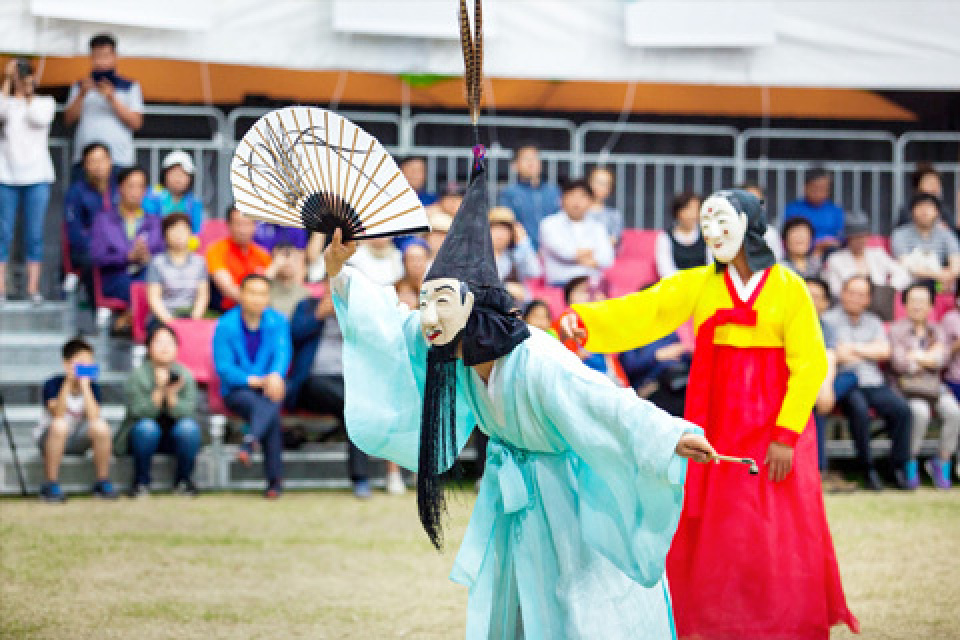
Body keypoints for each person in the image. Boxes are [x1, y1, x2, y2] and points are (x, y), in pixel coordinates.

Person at [324, 150, 716, 639]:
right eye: (425, 301)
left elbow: (602, 398)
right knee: (512, 598)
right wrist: (342, 270)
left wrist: (671, 434)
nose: (427, 315)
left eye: (440, 301)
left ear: (473, 307)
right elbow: (388, 324)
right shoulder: (449, 348)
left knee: (572, 599)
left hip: (563, 497)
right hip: (512, 495)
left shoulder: (537, 360)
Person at [559, 189, 859, 638]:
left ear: (750, 226)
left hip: (773, 428)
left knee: (774, 527)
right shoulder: (700, 283)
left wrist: (785, 434)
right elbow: (646, 310)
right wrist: (582, 322)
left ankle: (779, 621)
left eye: (723, 224)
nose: (713, 234)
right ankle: (717, 620)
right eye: (706, 226)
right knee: (719, 528)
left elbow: (810, 363)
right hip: (717, 424)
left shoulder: (789, 288)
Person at [823, 275, 913, 491]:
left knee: (903, 410)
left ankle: (896, 468)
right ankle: (868, 469)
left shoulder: (873, 321)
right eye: (851, 292)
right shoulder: (829, 320)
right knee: (859, 411)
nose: (855, 298)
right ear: (843, 294)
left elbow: (884, 351)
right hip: (847, 383)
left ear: (868, 299)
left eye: (861, 295)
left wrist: (852, 349)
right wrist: (867, 349)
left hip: (873, 381)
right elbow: (836, 354)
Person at [286, 289, 374, 498]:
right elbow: (294, 335)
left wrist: (349, 318)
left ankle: (360, 478)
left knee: (354, 412)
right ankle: (361, 479)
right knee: (356, 409)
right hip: (312, 382)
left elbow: (373, 343)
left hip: (348, 383)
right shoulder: (307, 305)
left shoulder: (358, 311)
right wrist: (318, 316)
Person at [213, 274, 292, 498]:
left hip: (269, 387)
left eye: (262, 293)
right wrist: (254, 380)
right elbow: (224, 367)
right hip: (239, 389)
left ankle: (250, 442)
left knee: (271, 401)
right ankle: (274, 481)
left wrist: (276, 375)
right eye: (252, 292)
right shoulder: (226, 325)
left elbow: (283, 353)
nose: (257, 299)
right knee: (269, 410)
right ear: (241, 294)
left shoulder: (278, 321)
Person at [116, 324, 202, 497]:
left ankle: (184, 481)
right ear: (148, 347)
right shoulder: (138, 376)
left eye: (169, 343)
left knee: (188, 429)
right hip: (141, 439)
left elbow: (187, 412)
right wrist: (160, 389)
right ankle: (141, 482)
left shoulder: (184, 375)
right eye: (159, 342)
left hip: (174, 438)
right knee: (147, 428)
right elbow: (140, 412)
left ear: (177, 348)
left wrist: (171, 395)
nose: (164, 347)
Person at [889, 283, 959, 490]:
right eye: (913, 301)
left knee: (954, 412)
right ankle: (909, 462)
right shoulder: (896, 330)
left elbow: (944, 359)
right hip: (906, 388)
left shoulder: (937, 330)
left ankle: (941, 460)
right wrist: (929, 358)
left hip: (934, 387)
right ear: (905, 304)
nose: (917, 306)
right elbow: (899, 363)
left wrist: (917, 357)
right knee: (919, 412)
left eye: (922, 301)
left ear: (931, 306)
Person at [0, 57, 55, 303]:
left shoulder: (45, 102)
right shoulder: (7, 103)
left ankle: (33, 289)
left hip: (37, 176)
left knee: (34, 233)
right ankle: (1, 287)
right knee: (4, 232)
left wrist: (29, 91)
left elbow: (39, 118)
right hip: (6, 176)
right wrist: (7, 81)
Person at [35, 337, 117, 502]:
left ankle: (102, 481)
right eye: (80, 363)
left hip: (78, 439)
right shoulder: (53, 383)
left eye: (89, 363)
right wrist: (68, 383)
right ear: (66, 364)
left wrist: (85, 387)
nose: (85, 367)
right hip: (51, 438)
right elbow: (57, 413)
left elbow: (94, 417)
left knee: (101, 426)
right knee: (60, 425)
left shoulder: (93, 387)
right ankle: (50, 483)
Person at [805, 276, 858, 493]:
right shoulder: (788, 324)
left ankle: (819, 471)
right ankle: (820, 472)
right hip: (801, 382)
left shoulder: (826, 326)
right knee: (814, 406)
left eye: (817, 297)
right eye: (807, 294)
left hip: (821, 382)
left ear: (826, 304)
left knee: (852, 377)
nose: (811, 300)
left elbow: (830, 356)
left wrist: (824, 387)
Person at [63, 33, 143, 172]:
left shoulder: (130, 86)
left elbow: (136, 123)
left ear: (115, 56)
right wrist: (82, 94)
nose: (101, 61)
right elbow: (68, 120)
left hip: (119, 159)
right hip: (86, 160)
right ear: (91, 57)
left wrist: (112, 98)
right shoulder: (80, 86)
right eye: (96, 56)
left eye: (105, 56)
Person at [90, 166, 164, 306]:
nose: (135, 192)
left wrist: (148, 258)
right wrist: (127, 257)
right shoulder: (103, 220)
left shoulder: (155, 222)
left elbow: (163, 254)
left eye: (140, 187)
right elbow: (98, 256)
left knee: (151, 283)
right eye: (131, 186)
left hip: (147, 275)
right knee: (140, 289)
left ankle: (129, 318)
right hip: (117, 277)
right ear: (120, 188)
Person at [539, 179, 614, 287]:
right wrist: (591, 253)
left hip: (592, 284)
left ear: (591, 202)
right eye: (572, 195)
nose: (577, 201)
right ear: (562, 200)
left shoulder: (598, 227)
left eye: (582, 196)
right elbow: (565, 253)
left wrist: (578, 255)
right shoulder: (548, 224)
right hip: (560, 284)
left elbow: (607, 258)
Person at [822, 211, 910, 301]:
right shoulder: (835, 259)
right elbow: (833, 288)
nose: (860, 240)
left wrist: (889, 289)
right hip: (848, 303)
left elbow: (902, 273)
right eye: (856, 237)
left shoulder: (878, 254)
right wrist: (855, 296)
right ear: (848, 238)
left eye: (864, 236)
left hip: (879, 301)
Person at [64, 142, 117, 289]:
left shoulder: (120, 188)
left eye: (102, 160)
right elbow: (74, 232)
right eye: (93, 161)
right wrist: (99, 246)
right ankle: (98, 306)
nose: (99, 165)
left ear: (110, 162)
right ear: (85, 166)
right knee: (94, 260)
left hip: (119, 248)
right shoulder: (76, 192)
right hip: (89, 249)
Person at [205, 204, 272, 311]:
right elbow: (228, 289)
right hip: (225, 311)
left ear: (254, 225)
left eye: (247, 224)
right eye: (238, 224)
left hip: (259, 312)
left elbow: (269, 289)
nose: (242, 230)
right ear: (228, 225)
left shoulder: (263, 254)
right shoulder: (216, 250)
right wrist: (257, 299)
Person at [146, 213, 209, 326]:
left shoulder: (200, 262)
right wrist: (170, 322)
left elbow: (203, 296)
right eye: (173, 230)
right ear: (165, 235)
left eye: (183, 230)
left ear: (190, 233)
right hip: (164, 317)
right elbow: (154, 298)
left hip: (192, 315)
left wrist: (194, 319)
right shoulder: (157, 263)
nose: (178, 235)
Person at [497, 142, 562, 248]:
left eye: (535, 158)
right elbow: (508, 224)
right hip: (522, 252)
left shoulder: (554, 191)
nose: (531, 162)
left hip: (554, 252)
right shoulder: (509, 193)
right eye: (526, 159)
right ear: (514, 165)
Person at [891, 192, 960, 289]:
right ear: (912, 211)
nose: (924, 211)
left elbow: (956, 263)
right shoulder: (900, 234)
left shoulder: (946, 234)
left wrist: (948, 274)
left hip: (940, 283)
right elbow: (905, 264)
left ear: (937, 212)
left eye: (929, 207)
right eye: (920, 206)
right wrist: (937, 274)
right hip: (910, 283)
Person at [784, 167, 845, 254]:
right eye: (815, 188)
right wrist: (816, 244)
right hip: (803, 253)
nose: (819, 192)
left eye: (823, 189)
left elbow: (841, 236)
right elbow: (790, 236)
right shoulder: (794, 209)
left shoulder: (835, 210)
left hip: (831, 253)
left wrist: (831, 243)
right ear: (805, 187)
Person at [142, 150, 205, 233]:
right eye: (174, 173)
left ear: (190, 178)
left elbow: (196, 232)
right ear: (164, 175)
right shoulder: (152, 196)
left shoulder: (195, 202)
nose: (178, 178)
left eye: (183, 174)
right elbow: (148, 226)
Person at [489, 205, 540, 302]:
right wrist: (505, 287)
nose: (500, 234)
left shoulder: (515, 256)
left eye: (505, 229)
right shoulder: (478, 258)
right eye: (495, 228)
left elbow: (535, 271)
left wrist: (524, 241)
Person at [654, 191, 707, 278]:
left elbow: (711, 263)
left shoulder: (706, 235)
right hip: (676, 285)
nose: (693, 214)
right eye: (688, 209)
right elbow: (665, 269)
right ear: (678, 212)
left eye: (697, 209)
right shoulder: (665, 237)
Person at [896, 162, 955, 229]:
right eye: (929, 182)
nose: (934, 186)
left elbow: (952, 231)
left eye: (937, 182)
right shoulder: (908, 209)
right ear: (917, 186)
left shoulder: (943, 209)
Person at [739, 182, 784, 260]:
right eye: (749, 201)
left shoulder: (770, 234)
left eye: (759, 201)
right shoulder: (723, 231)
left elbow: (777, 263)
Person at [267, 242, 309, 319]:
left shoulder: (304, 293)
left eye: (293, 258)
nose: (288, 261)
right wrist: (274, 267)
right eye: (284, 256)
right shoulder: (266, 288)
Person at [587, 166, 624, 247]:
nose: (600, 187)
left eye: (605, 184)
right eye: (597, 182)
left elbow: (613, 240)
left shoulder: (614, 215)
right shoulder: (577, 212)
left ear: (610, 189)